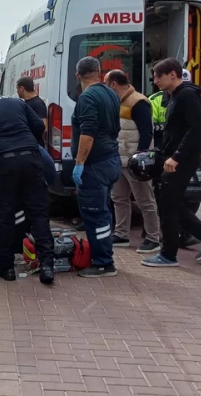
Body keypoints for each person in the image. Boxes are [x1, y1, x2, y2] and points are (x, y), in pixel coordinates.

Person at [0, 82, 55, 285]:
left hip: (3, 164)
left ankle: (7, 268)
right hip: (31, 159)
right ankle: (47, 266)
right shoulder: (18, 103)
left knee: (4, 216)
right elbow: (39, 126)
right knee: (39, 213)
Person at [143, 58, 201, 267]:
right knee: (171, 203)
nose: (155, 81)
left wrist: (176, 157)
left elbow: (193, 130)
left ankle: (169, 254)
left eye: (158, 76)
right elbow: (184, 128)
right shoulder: (175, 96)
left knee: (168, 205)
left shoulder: (186, 95)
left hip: (181, 160)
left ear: (172, 74)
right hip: (175, 158)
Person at [70, 57, 122, 278]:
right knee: (104, 212)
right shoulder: (110, 93)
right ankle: (104, 255)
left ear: (77, 75)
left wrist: (79, 163)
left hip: (95, 165)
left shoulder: (87, 97)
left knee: (94, 215)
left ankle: (103, 262)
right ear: (99, 72)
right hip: (111, 159)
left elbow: (88, 132)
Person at [104, 70, 162, 253]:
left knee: (145, 200)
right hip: (119, 159)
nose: (106, 87)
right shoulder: (117, 102)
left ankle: (153, 238)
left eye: (106, 83)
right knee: (118, 198)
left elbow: (146, 132)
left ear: (113, 84)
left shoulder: (138, 102)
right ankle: (121, 234)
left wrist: (140, 158)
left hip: (134, 162)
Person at [16, 76, 47, 145]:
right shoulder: (25, 103)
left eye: (17, 88)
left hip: (35, 144)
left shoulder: (37, 104)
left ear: (22, 88)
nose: (17, 91)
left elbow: (44, 127)